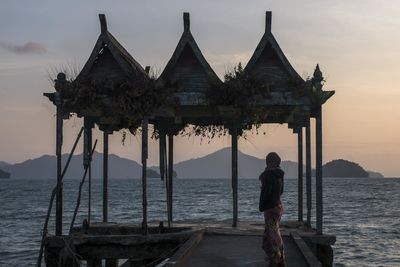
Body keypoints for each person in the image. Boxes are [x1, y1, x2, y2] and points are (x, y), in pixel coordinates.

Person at [259, 152, 285, 267]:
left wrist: (262, 206)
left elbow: (266, 192)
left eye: (267, 161)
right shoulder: (279, 174)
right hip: (278, 206)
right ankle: (277, 259)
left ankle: (276, 260)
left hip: (270, 208)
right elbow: (281, 191)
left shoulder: (268, 175)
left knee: (272, 236)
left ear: (270, 162)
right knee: (273, 233)